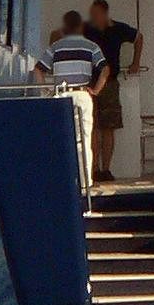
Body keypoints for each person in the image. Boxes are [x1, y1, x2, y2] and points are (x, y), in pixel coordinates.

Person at [36, 10, 115, 181]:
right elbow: (105, 69)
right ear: (80, 27)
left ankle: (62, 179)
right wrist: (96, 90)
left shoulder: (55, 47)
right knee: (84, 139)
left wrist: (46, 91)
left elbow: (38, 69)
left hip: (61, 95)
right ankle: (85, 182)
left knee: (60, 138)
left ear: (64, 27)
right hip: (82, 93)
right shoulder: (91, 46)